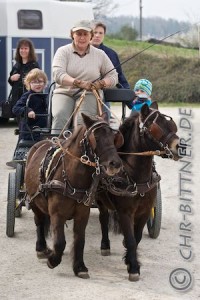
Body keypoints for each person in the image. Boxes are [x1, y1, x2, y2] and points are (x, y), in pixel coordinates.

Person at [51, 19, 118, 134]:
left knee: (83, 121)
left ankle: (82, 150)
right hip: (64, 92)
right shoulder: (62, 51)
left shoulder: (100, 54)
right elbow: (57, 74)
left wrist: (101, 83)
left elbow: (113, 76)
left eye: (85, 34)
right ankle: (55, 147)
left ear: (90, 35)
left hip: (89, 93)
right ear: (72, 35)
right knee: (60, 116)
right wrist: (78, 82)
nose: (82, 37)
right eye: (78, 34)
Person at [6, 69, 48, 168]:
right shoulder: (27, 96)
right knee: (27, 156)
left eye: (40, 81)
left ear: (45, 83)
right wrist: (28, 110)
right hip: (29, 132)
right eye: (34, 82)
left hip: (44, 131)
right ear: (29, 84)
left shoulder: (46, 96)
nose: (38, 84)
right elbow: (15, 108)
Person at [91, 21, 131, 115]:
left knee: (106, 119)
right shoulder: (82, 51)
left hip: (103, 94)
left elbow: (119, 76)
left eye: (100, 33)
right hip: (83, 92)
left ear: (104, 35)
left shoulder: (111, 54)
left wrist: (129, 97)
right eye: (95, 32)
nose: (97, 35)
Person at [8, 38, 40, 115]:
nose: (23, 50)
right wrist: (11, 78)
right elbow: (11, 81)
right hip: (17, 98)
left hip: (28, 98)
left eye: (26, 48)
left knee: (27, 122)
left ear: (30, 50)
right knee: (19, 121)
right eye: (21, 48)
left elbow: (38, 82)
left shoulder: (34, 65)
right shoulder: (17, 65)